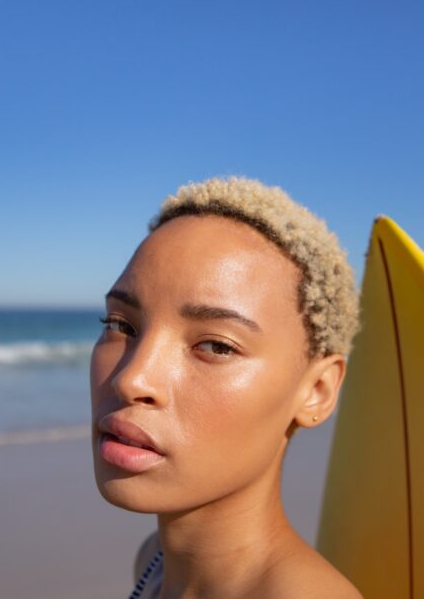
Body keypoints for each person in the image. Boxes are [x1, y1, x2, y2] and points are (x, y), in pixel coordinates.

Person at [90, 176, 363, 598]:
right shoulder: (154, 562)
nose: (132, 379)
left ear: (318, 391)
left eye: (216, 345)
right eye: (121, 325)